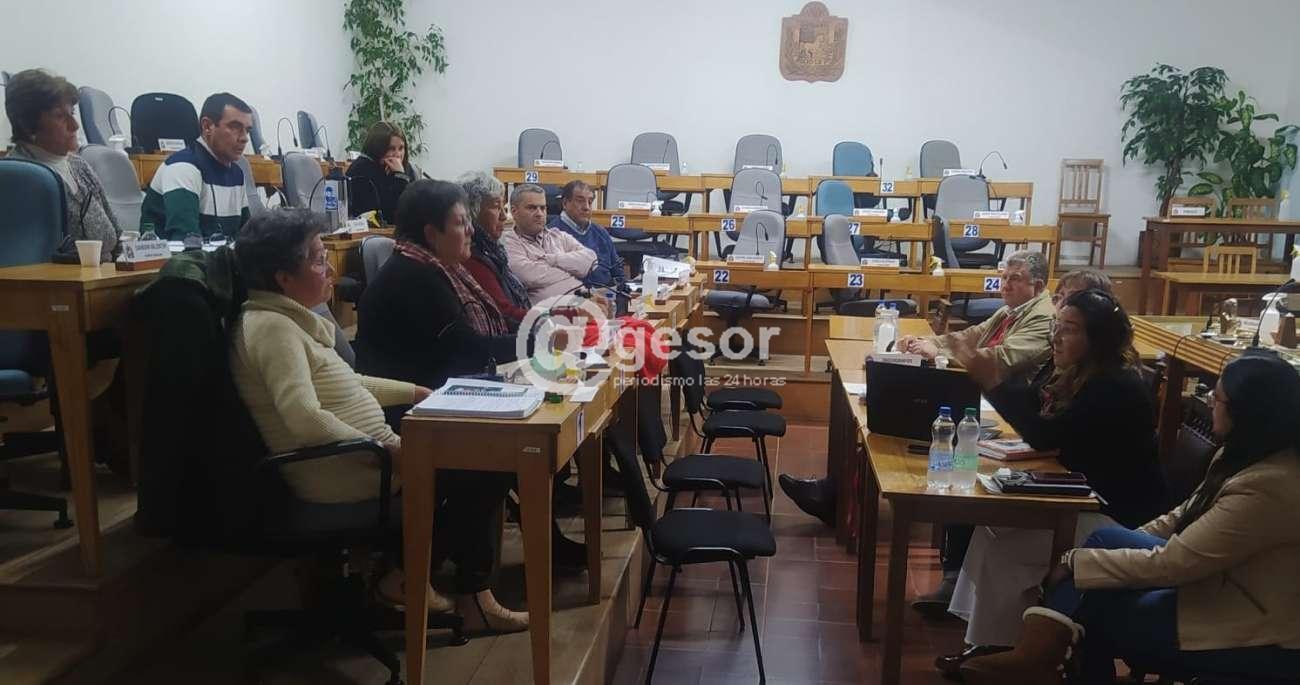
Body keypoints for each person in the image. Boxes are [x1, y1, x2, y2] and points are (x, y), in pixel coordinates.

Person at [234, 207, 526, 633]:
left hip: (364, 459)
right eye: (317, 259)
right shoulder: (273, 330)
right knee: (486, 466)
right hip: (342, 471)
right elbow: (303, 417)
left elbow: (347, 383)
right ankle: (429, 584)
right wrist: (387, 450)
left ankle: (414, 578)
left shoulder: (288, 319)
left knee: (481, 463)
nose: (330, 268)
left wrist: (415, 392)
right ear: (283, 277)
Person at [963, 351, 1300, 684]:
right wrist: (1108, 552)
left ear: (1248, 413)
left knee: (1096, 597)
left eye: (1219, 398)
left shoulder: (1269, 484)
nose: (1211, 402)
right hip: (1215, 582)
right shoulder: (1244, 454)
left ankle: (1040, 659)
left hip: (1249, 623)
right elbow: (1184, 515)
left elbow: (1177, 563)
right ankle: (1042, 660)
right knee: (1103, 551)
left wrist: (1077, 560)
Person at [779, 250, 1057, 608]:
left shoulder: (1041, 317)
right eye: (1003, 276)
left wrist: (939, 352)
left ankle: (950, 576)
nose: (1004, 285)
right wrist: (929, 344)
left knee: (920, 431)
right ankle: (835, 494)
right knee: (885, 416)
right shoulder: (1011, 311)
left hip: (1003, 413)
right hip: (982, 398)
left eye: (1014, 279)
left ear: (1037, 285)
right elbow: (970, 336)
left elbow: (1002, 359)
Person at [934, 288, 1168, 678]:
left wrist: (993, 381)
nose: (1056, 337)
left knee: (1008, 543)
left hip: (1116, 517)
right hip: (1079, 499)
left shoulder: (1115, 385)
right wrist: (994, 380)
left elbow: (1045, 435)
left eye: (1070, 329)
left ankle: (1011, 654)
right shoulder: (1070, 371)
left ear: (1098, 338)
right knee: (992, 530)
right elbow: (1031, 406)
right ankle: (994, 644)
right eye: (1056, 326)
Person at [4, 69, 121, 262]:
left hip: (108, 276)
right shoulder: (18, 179)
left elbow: (116, 236)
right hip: (60, 280)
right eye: (59, 116)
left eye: (72, 113)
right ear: (28, 125)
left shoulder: (79, 165)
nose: (75, 125)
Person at [140, 92, 251, 240]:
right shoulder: (182, 168)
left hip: (213, 253)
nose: (245, 138)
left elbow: (247, 239)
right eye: (235, 127)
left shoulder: (236, 173)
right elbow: (186, 242)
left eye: (247, 130)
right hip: (173, 254)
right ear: (207, 126)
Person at [459, 171, 532, 326]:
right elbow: (504, 314)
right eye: (496, 207)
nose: (504, 217)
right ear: (472, 211)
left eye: (503, 207)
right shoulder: (469, 256)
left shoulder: (491, 249)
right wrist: (553, 316)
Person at [503, 183, 597, 302]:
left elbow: (592, 260)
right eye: (532, 208)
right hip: (548, 311)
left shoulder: (558, 236)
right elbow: (527, 277)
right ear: (514, 211)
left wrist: (553, 259)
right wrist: (573, 271)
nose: (539, 214)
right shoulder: (508, 242)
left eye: (543, 208)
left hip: (583, 302)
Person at [548, 180, 626, 289]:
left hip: (607, 295)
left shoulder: (601, 232)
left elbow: (617, 272)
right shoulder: (551, 234)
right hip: (570, 296)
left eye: (590, 202)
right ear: (565, 203)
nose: (586, 207)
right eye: (580, 201)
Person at [347, 121, 416, 225]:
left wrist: (400, 175)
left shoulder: (405, 168)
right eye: (391, 149)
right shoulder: (361, 170)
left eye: (401, 148)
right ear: (377, 148)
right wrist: (400, 179)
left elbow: (414, 209)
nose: (398, 154)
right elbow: (388, 215)